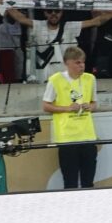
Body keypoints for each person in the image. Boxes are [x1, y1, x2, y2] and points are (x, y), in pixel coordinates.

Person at [42, 46, 100, 189]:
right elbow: (46, 106)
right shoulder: (55, 80)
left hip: (87, 135)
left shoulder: (90, 79)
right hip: (67, 137)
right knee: (70, 183)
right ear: (67, 63)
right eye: (77, 63)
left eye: (83, 62)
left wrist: (90, 106)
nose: (81, 66)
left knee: (88, 182)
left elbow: (95, 103)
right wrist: (67, 108)